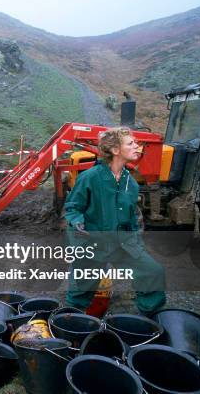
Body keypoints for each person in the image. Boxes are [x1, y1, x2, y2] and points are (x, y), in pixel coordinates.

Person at [64, 127, 166, 316]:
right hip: (92, 245)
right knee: (79, 291)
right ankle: (71, 322)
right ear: (115, 150)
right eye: (131, 143)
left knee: (153, 272)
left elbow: (132, 218)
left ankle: (150, 318)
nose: (138, 146)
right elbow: (72, 207)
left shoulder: (131, 183)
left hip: (122, 244)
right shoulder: (90, 177)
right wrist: (78, 222)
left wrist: (137, 243)